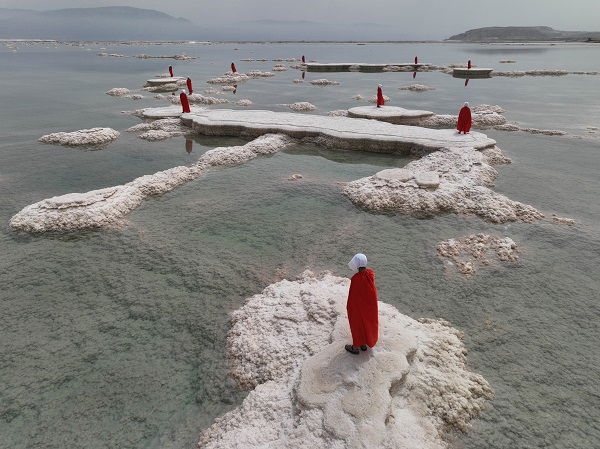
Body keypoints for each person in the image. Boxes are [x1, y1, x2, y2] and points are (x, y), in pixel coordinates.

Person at [345, 253, 379, 355]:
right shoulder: (370, 274)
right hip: (368, 307)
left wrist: (350, 307)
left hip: (358, 307)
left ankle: (355, 347)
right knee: (366, 324)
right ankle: (363, 344)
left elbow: (353, 295)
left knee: (357, 324)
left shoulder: (356, 278)